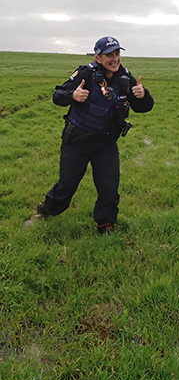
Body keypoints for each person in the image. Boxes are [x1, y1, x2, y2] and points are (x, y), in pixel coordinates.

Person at [31, 36, 154, 233]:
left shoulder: (125, 78)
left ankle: (105, 226)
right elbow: (58, 96)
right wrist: (73, 96)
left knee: (109, 187)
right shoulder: (86, 74)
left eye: (117, 54)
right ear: (98, 58)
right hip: (77, 141)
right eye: (109, 55)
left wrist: (143, 94)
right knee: (66, 187)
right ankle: (45, 210)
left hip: (106, 143)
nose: (114, 59)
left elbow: (143, 107)